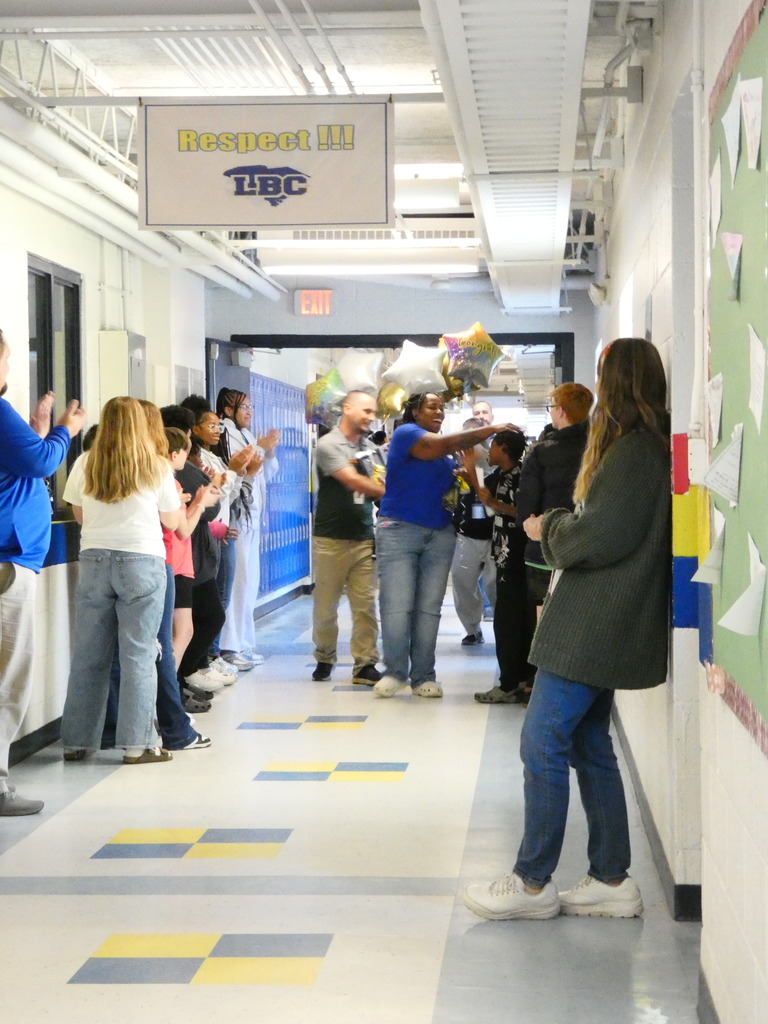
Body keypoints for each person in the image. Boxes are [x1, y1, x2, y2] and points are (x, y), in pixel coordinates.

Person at [463, 338, 671, 921]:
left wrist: (546, 525)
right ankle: (610, 877)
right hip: (605, 618)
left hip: (592, 622)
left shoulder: (634, 453)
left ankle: (532, 884)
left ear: (617, 383)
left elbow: (598, 536)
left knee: (542, 741)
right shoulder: (643, 448)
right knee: (587, 744)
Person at [61, 396, 182, 765]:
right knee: (139, 655)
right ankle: (137, 745)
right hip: (142, 562)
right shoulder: (158, 466)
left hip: (95, 561)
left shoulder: (85, 462)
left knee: (89, 655)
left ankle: (77, 742)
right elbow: (173, 523)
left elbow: (80, 516)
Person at [373, 392, 515, 699]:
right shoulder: (407, 434)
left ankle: (423, 675)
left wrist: (467, 474)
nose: (439, 412)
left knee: (429, 609)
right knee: (397, 605)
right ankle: (395, 671)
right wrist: (489, 428)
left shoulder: (447, 453)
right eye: (432, 407)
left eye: (442, 408)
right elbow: (437, 445)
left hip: (439, 533)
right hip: (399, 529)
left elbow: (455, 484)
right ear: (414, 411)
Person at [0, 331, 85, 814]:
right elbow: (39, 461)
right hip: (9, 563)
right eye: (7, 361)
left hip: (12, 559)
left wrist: (36, 429)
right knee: (11, 678)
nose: (8, 371)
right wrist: (63, 431)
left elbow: (22, 463)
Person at [311, 390, 386, 684]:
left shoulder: (371, 449)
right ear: (347, 408)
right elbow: (352, 480)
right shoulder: (328, 445)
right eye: (365, 411)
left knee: (365, 605)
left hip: (363, 537)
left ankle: (365, 664)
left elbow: (382, 479)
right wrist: (389, 490)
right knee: (326, 607)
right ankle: (324, 655)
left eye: (373, 412)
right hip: (330, 540)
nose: (371, 417)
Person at [183, 395, 256, 673]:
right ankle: (208, 659)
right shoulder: (194, 464)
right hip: (208, 533)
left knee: (219, 600)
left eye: (218, 425)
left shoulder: (211, 457)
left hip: (221, 529)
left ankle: (210, 656)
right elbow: (213, 495)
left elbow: (226, 493)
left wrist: (238, 474)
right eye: (210, 425)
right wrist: (235, 472)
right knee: (213, 604)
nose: (217, 430)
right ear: (194, 429)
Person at [215, 388, 280, 668]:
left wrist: (269, 451)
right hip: (237, 518)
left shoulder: (249, 436)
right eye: (243, 407)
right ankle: (230, 646)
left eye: (251, 406)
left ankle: (244, 643)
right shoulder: (227, 434)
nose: (249, 411)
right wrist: (261, 448)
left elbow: (266, 472)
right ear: (228, 411)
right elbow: (240, 468)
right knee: (238, 583)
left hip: (252, 517)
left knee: (249, 583)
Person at [516, 382, 593, 607]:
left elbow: (527, 504)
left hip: (546, 549)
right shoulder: (599, 448)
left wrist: (530, 524)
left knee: (545, 615)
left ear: (560, 410)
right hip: (587, 548)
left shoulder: (540, 453)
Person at [473, 429, 532, 705]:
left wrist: (497, 504)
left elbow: (523, 513)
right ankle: (519, 678)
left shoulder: (523, 477)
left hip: (518, 558)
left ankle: (511, 681)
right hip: (503, 557)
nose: (489, 451)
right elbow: (485, 500)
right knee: (512, 619)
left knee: (509, 621)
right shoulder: (498, 477)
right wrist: (469, 474)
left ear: (505, 448)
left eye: (494, 446)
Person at [450, 417, 496, 647]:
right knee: (462, 581)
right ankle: (472, 629)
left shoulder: (495, 463)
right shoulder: (454, 465)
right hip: (466, 534)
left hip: (494, 536)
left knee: (494, 584)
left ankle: (503, 628)